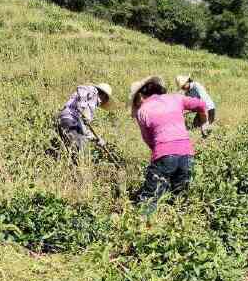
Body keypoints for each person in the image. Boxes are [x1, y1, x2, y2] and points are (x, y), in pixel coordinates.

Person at [131, 75, 209, 212]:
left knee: (149, 199)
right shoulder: (176, 98)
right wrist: (204, 123)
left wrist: (161, 158)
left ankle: (143, 228)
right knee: (179, 199)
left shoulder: (142, 111)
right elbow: (202, 104)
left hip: (164, 154)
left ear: (140, 96)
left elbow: (149, 140)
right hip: (187, 154)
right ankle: (180, 225)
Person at [56, 82, 113, 156]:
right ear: (104, 96)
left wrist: (96, 139)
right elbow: (81, 89)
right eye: (106, 99)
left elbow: (84, 129)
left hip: (73, 123)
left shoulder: (92, 105)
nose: (104, 102)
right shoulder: (93, 91)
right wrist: (82, 108)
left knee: (77, 148)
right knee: (80, 147)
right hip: (69, 118)